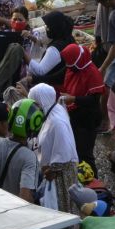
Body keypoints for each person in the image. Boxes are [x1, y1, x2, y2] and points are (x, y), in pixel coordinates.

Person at [31, 84, 80, 214]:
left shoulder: (56, 121)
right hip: (54, 171)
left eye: (36, 103)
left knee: (62, 208)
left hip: (60, 173)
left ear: (43, 101)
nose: (35, 107)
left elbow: (64, 151)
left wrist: (52, 170)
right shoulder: (53, 110)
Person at [58, 44, 105, 168]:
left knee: (85, 154)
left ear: (78, 60)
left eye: (71, 63)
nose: (69, 66)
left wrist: (73, 98)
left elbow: (94, 100)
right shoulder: (73, 68)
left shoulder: (92, 73)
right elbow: (58, 77)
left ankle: (93, 183)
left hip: (88, 119)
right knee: (76, 151)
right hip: (75, 115)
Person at [27, 11, 75, 87]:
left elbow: (40, 71)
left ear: (54, 28)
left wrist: (24, 55)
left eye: (47, 26)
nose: (46, 29)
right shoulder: (68, 38)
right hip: (67, 83)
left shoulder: (55, 48)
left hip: (55, 87)